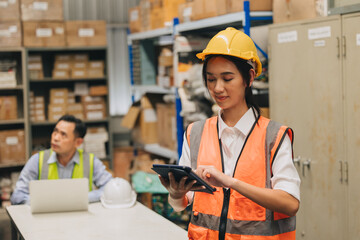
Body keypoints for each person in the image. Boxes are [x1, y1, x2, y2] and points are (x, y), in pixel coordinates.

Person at [159, 27, 300, 240]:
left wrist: (231, 182)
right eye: (211, 79)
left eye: (227, 78)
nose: (217, 88)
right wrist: (176, 194)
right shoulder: (195, 133)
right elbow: (181, 205)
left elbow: (290, 203)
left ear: (249, 77)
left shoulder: (274, 137)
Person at [11, 114, 113, 205]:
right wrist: (42, 202)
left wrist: (84, 198)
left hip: (80, 219)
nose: (55, 138)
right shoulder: (38, 160)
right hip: (46, 219)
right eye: (55, 132)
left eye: (63, 135)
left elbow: (110, 188)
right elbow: (17, 196)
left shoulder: (90, 161)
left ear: (78, 142)